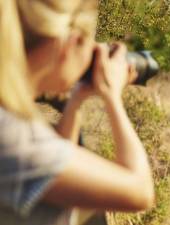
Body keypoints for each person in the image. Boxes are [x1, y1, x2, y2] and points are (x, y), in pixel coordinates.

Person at [0, 0, 155, 224]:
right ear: (68, 44)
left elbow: (56, 162)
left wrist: (75, 102)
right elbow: (140, 191)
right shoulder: (12, 136)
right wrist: (112, 96)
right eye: (90, 46)